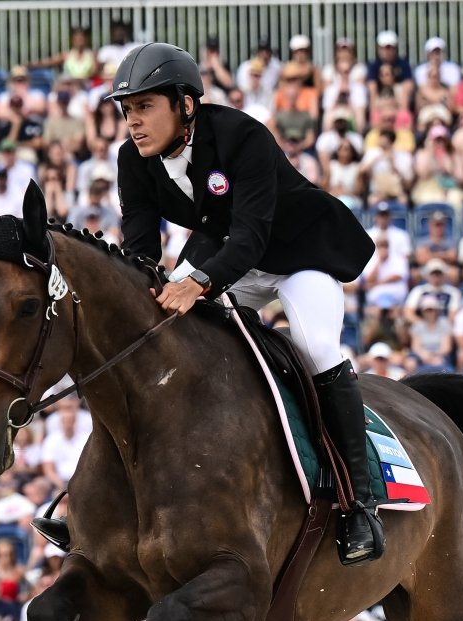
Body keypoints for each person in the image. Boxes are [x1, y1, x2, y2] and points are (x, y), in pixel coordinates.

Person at [101, 43, 382, 565]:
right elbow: (139, 251)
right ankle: (110, 496)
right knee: (151, 333)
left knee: (316, 347)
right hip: (225, 254)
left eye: (144, 107)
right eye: (126, 110)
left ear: (185, 104)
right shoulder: (132, 160)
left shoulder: (241, 135)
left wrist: (197, 284)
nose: (132, 122)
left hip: (298, 254)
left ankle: (359, 506)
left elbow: (253, 236)